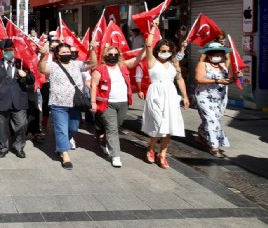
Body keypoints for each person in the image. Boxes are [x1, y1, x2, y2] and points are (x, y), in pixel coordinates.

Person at [141, 20, 190, 169]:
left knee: (169, 125)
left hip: (170, 94)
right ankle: (151, 147)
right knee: (158, 123)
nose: (165, 52)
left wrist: (185, 97)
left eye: (168, 50)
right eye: (163, 50)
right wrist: (154, 27)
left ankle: (162, 154)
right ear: (158, 50)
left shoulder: (174, 64)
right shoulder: (152, 61)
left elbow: (180, 79)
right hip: (156, 93)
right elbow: (148, 45)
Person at [90, 44, 143, 168]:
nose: (113, 57)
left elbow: (138, 59)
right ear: (105, 56)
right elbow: (93, 86)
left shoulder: (122, 66)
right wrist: (93, 103)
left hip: (123, 102)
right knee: (112, 129)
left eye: (115, 54)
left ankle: (103, 141)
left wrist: (147, 46)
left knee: (115, 126)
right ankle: (115, 156)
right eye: (110, 54)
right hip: (107, 104)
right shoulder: (100, 69)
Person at [38, 43, 87, 169]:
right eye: (63, 52)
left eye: (68, 52)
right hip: (58, 103)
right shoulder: (53, 65)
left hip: (75, 104)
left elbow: (92, 63)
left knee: (73, 128)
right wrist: (43, 55)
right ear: (57, 54)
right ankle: (65, 155)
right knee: (61, 129)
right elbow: (42, 69)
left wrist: (92, 48)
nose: (66, 54)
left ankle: (62, 144)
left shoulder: (77, 64)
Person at [0, 39, 34, 159]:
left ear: (15, 50)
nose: (8, 52)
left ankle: (18, 146)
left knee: (22, 125)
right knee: (2, 127)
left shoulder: (22, 63)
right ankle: (4, 147)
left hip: (19, 100)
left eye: (10, 50)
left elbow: (32, 80)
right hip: (1, 100)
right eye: (6, 50)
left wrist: (26, 75)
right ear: (2, 52)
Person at [195, 42, 234, 158]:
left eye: (220, 55)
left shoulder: (223, 66)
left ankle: (202, 134)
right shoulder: (202, 65)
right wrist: (216, 81)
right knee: (213, 120)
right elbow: (198, 79)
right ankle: (214, 146)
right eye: (215, 54)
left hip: (220, 99)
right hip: (204, 97)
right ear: (208, 55)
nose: (218, 57)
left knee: (215, 119)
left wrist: (235, 78)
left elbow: (227, 79)